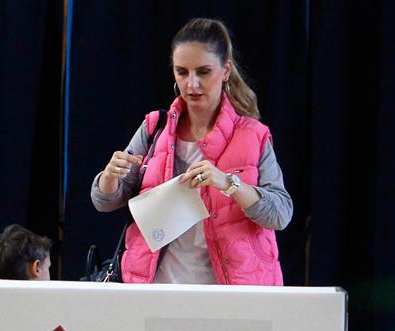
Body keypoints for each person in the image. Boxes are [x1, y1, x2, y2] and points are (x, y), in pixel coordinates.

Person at [91, 17, 292, 285]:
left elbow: (280, 214)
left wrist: (229, 183)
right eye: (182, 72)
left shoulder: (254, 135)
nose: (191, 84)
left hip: (232, 296)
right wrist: (108, 178)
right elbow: (105, 202)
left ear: (226, 70)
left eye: (203, 72)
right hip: (154, 291)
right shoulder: (154, 126)